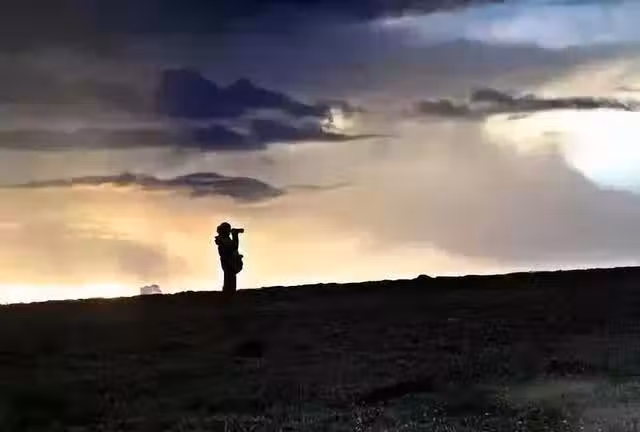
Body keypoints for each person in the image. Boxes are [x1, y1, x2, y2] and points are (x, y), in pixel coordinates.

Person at [214, 222, 244, 294]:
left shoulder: (223, 239)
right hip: (229, 262)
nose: (229, 232)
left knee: (230, 278)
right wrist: (235, 235)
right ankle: (228, 292)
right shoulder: (223, 239)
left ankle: (228, 291)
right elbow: (234, 247)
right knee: (229, 278)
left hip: (229, 261)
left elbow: (233, 248)